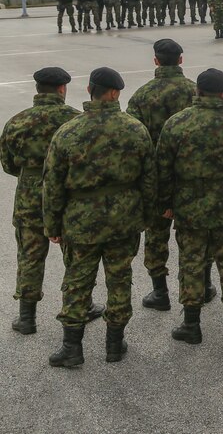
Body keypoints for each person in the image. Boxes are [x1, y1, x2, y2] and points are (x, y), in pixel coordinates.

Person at [42, 67, 155, 368]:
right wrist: (146, 217)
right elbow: (149, 179)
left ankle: (72, 348)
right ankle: (114, 345)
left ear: (89, 90)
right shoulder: (135, 129)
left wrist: (52, 225)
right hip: (124, 220)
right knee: (120, 279)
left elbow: (52, 184)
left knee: (77, 281)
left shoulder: (68, 131)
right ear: (115, 93)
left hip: (81, 222)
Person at [157, 69, 223, 344]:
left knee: (191, 262)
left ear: (197, 91)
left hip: (188, 204)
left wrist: (165, 203)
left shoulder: (176, 124)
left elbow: (163, 168)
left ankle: (191, 325)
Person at [1, 67, 104, 336]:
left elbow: (8, 165)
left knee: (30, 255)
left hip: (29, 196)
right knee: (76, 256)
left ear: (38, 89)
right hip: (68, 196)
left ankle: (27, 318)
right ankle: (83, 305)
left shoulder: (16, 122)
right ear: (62, 89)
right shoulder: (76, 120)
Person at [126, 39, 198, 312]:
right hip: (192, 176)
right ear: (181, 60)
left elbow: (133, 140)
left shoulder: (142, 95)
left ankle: (160, 291)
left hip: (156, 177)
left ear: (156, 61)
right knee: (196, 234)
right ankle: (202, 285)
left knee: (156, 235)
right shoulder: (197, 90)